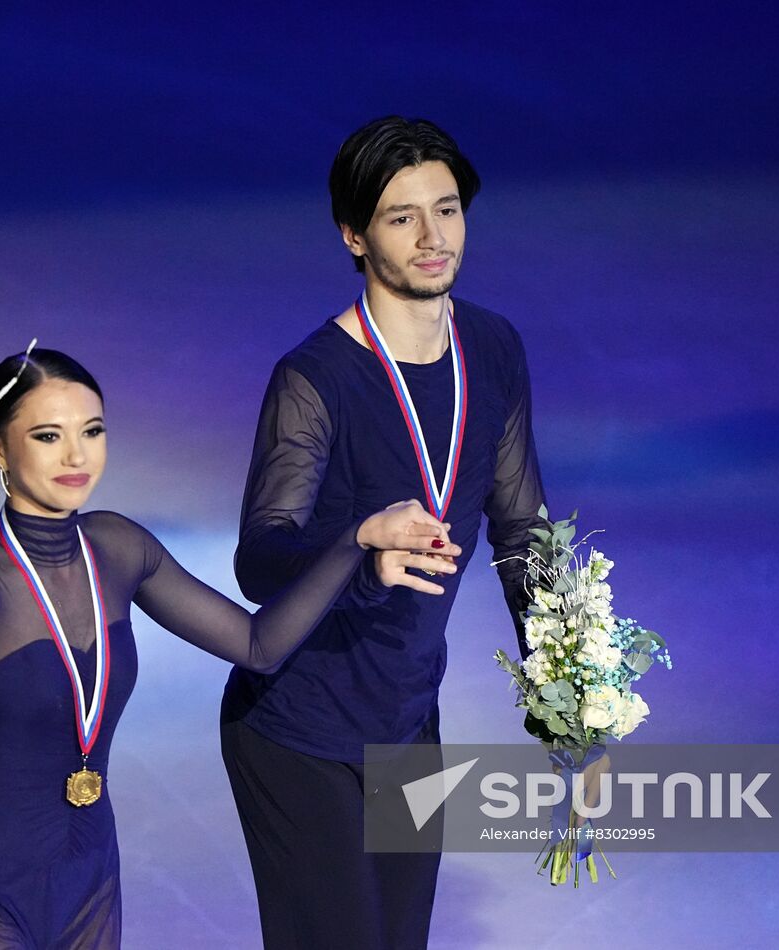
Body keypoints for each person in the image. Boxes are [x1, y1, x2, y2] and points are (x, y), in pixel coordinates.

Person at [0, 348, 458, 950]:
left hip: (91, 892)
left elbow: (259, 646)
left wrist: (357, 540)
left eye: (92, 431)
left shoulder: (119, 546)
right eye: (48, 436)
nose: (78, 456)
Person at [220, 116, 548, 948]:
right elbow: (260, 558)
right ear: (354, 235)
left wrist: (569, 704)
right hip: (298, 729)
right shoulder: (315, 378)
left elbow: (521, 531)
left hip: (407, 721)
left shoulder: (495, 348)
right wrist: (360, 550)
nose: (434, 238)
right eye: (403, 218)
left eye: (448, 209)